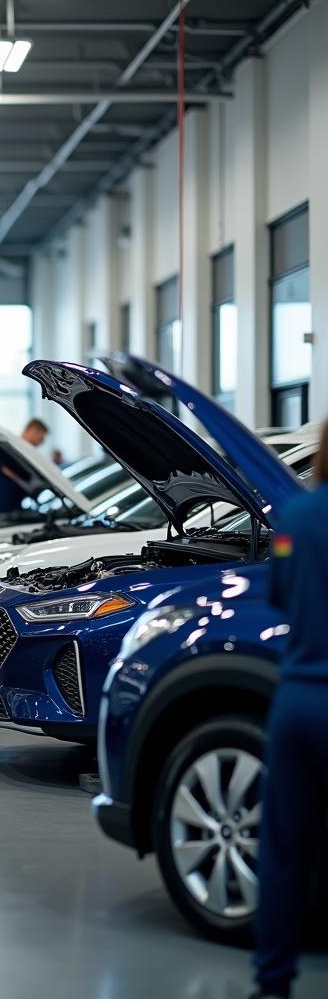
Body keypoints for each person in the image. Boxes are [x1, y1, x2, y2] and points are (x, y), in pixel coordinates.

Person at [251, 418, 328, 999]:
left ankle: (272, 984)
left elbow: (277, 593)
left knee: (282, 851)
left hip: (295, 702)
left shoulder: (292, 520)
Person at [0, 417, 48, 520]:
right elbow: (12, 473)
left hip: (2, 510)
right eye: (40, 439)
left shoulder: (13, 450)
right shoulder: (5, 449)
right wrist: (36, 487)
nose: (40, 444)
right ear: (32, 431)